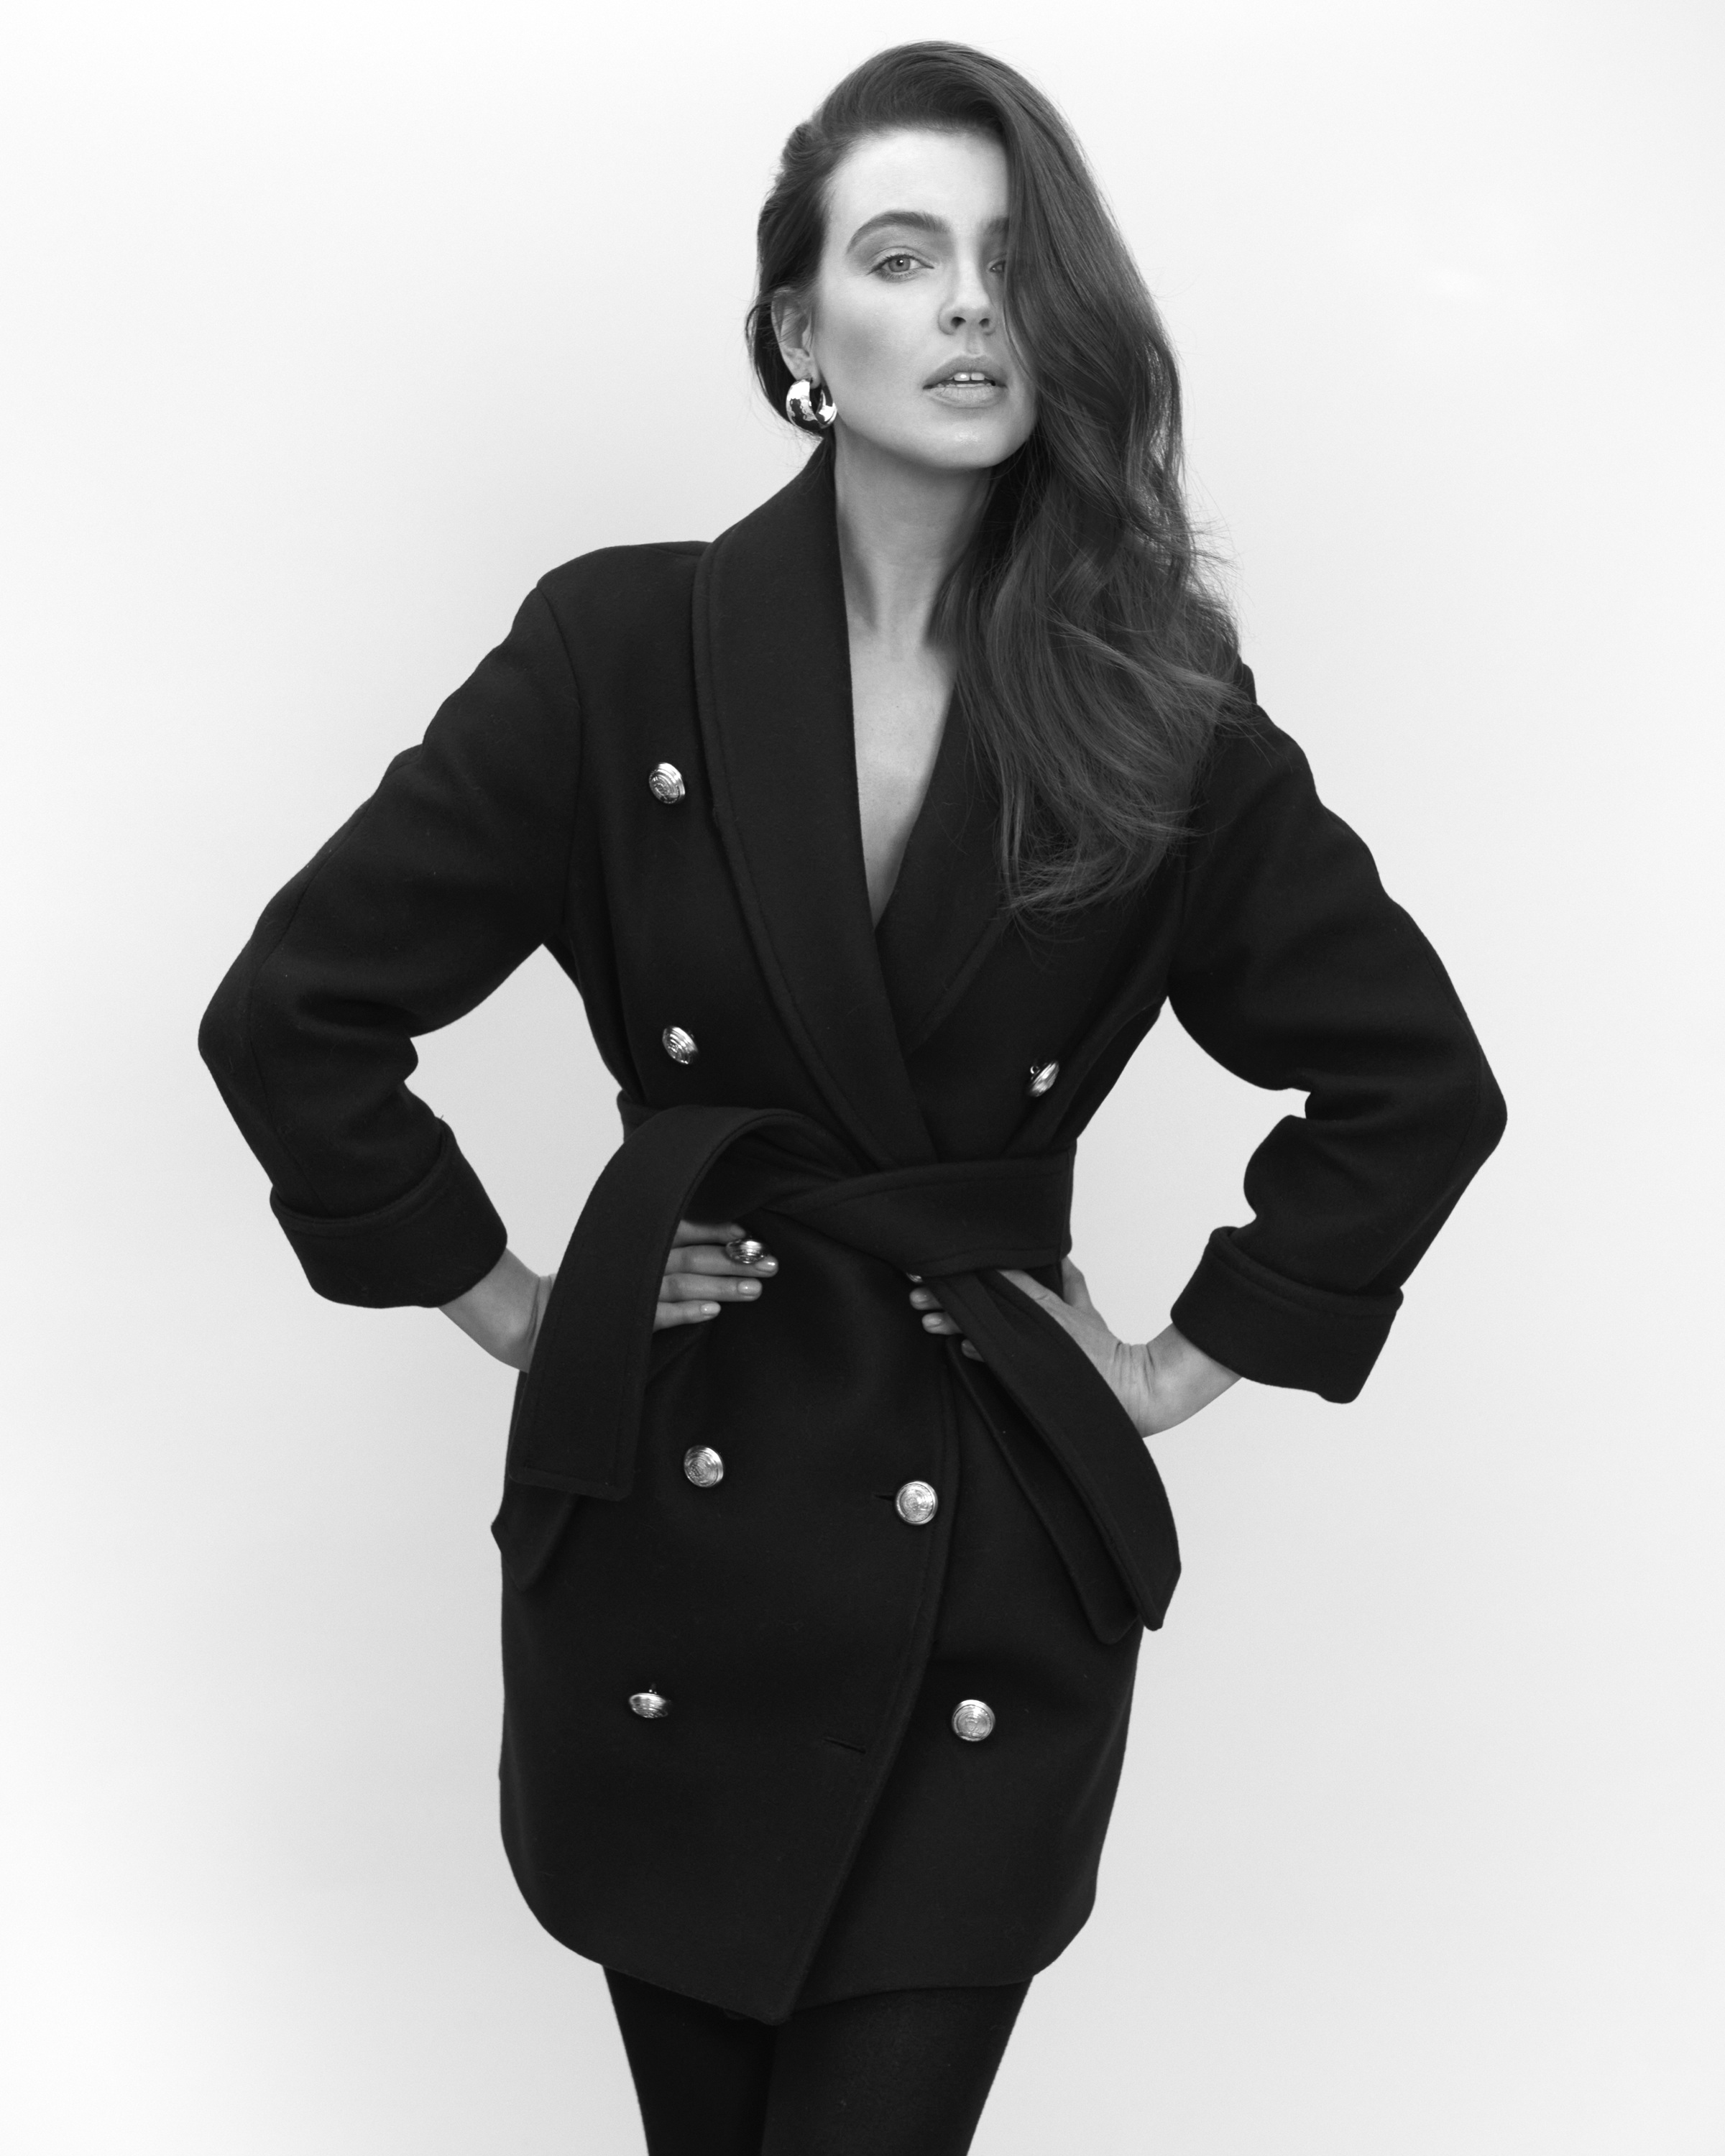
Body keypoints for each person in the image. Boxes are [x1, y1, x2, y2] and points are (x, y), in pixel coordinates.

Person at [199, 40, 1505, 2156]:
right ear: (802, 333)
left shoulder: (1154, 695)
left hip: (985, 1536)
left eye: (1013, 261)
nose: (971, 304)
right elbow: (295, 1013)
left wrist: (1169, 1368)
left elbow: (1414, 1082)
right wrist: (526, 1308)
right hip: (675, 1531)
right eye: (903, 258)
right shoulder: (615, 650)